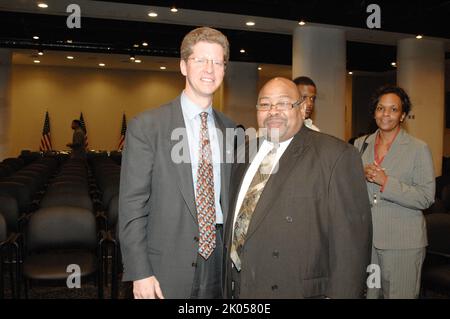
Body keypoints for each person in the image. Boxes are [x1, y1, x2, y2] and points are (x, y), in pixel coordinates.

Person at [224, 77, 372, 299]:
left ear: (302, 109)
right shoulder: (243, 153)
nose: (273, 111)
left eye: (283, 103)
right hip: (240, 287)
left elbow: (352, 247)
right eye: (265, 104)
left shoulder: (336, 156)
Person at [118, 27, 236, 299]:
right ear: (183, 66)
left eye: (218, 62)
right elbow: (132, 205)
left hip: (219, 259)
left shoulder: (230, 129)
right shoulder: (147, 126)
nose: (210, 69)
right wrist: (140, 271)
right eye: (200, 60)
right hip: (165, 264)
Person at [354, 85, 435, 299]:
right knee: (370, 295)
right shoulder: (361, 144)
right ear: (374, 112)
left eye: (393, 109)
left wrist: (386, 182)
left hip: (403, 244)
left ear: (403, 115)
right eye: (381, 108)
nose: (386, 114)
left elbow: (426, 197)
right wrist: (358, 175)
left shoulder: (418, 148)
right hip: (369, 242)